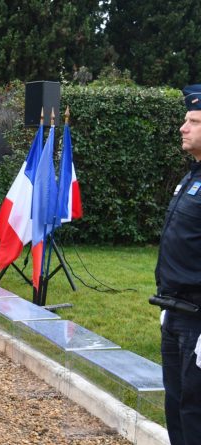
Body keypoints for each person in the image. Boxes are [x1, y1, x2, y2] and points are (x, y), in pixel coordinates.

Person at [153, 84, 201, 445]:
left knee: (194, 408)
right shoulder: (191, 176)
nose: (183, 127)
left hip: (197, 316)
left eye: (193, 121)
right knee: (176, 404)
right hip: (173, 309)